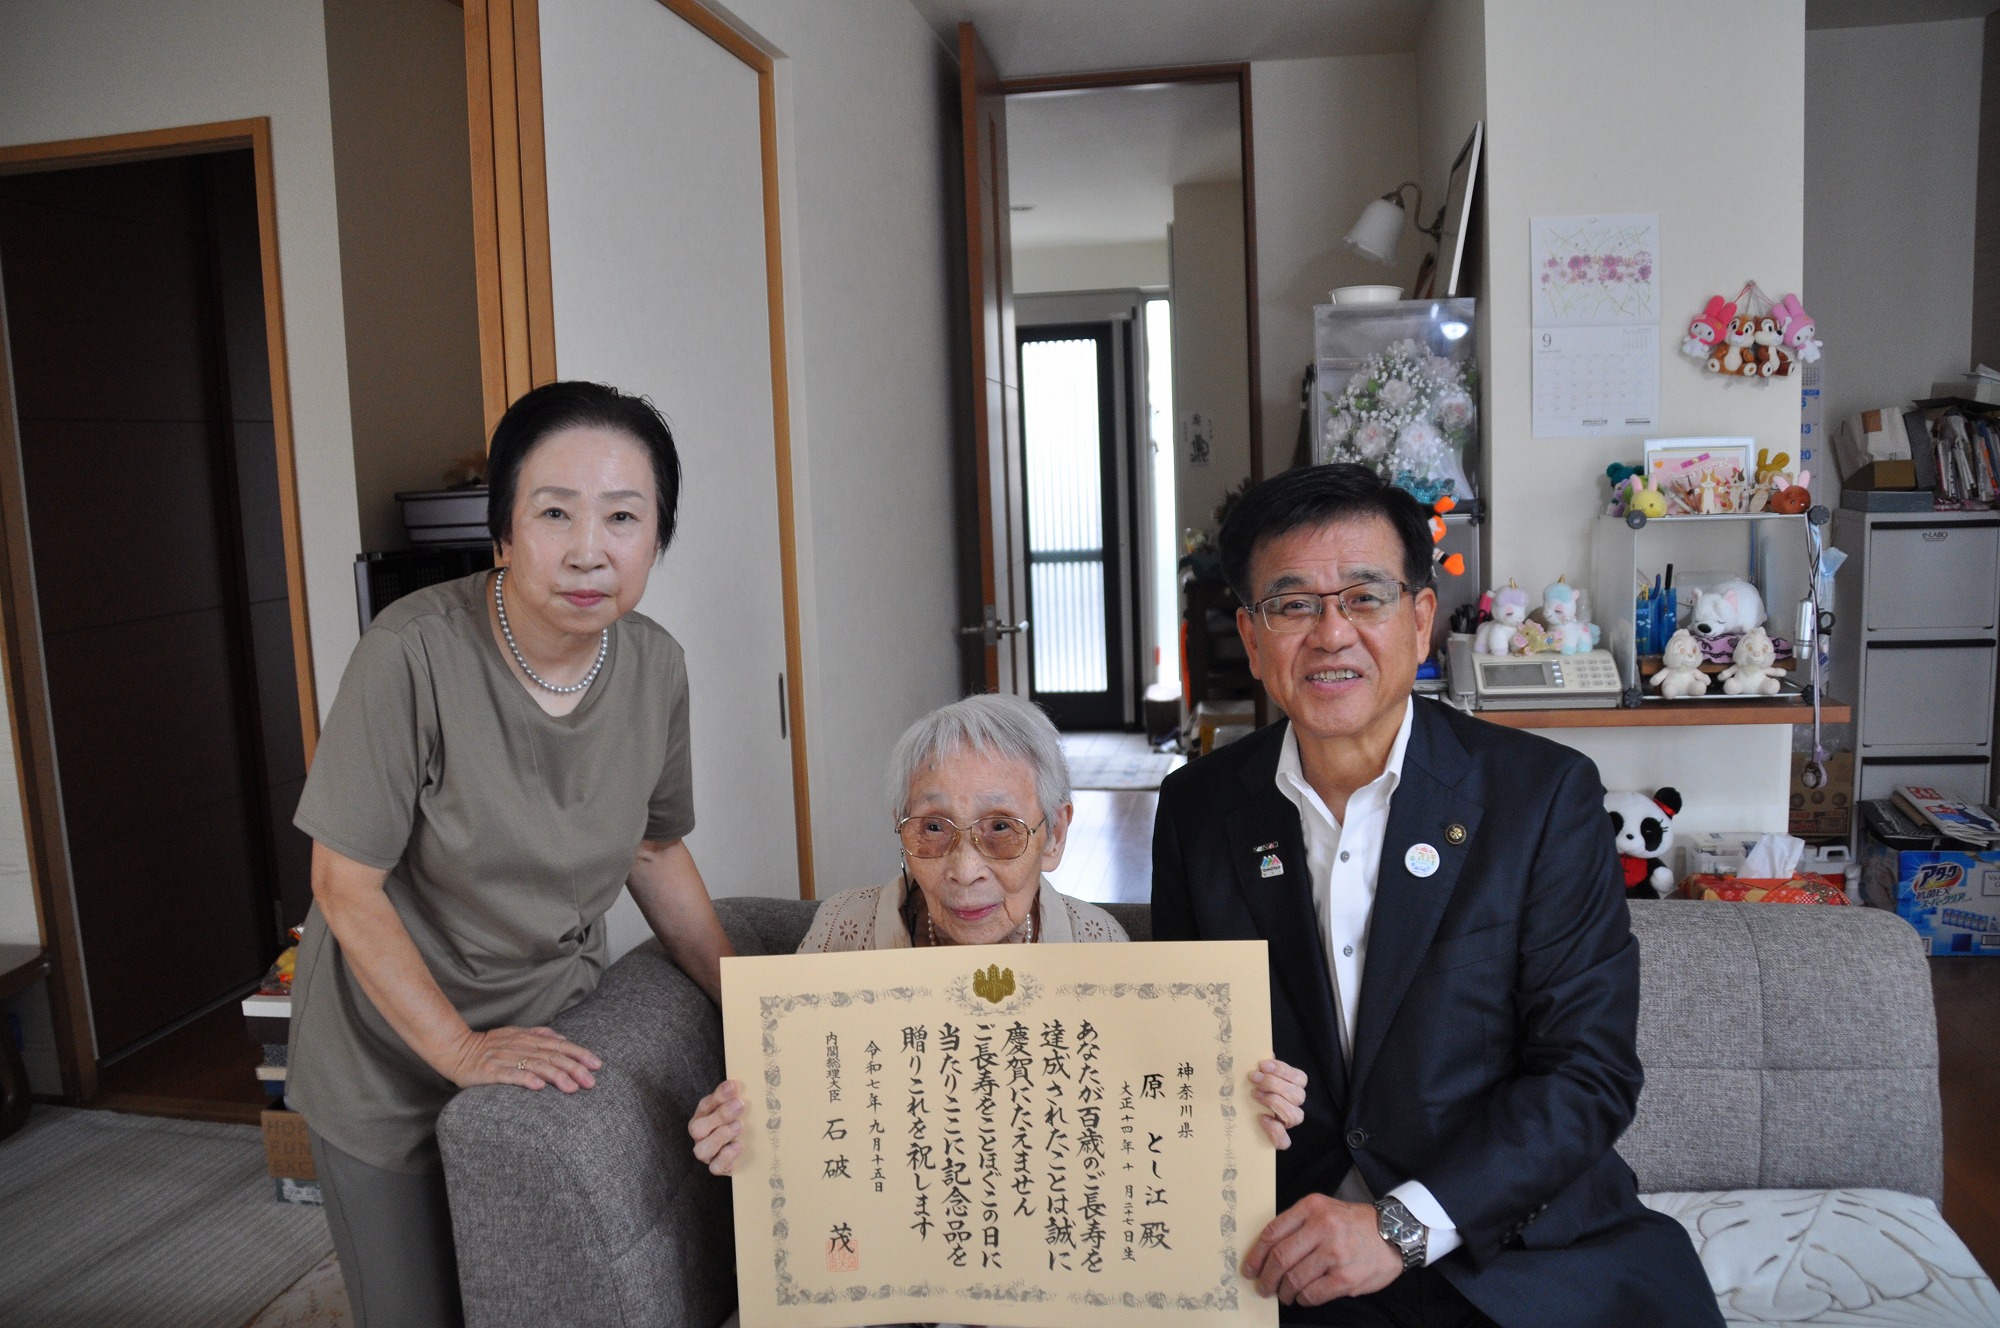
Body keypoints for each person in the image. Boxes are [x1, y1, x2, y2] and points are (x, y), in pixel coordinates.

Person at [1151, 465, 1722, 1327]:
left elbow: (1588, 1073)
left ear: (1421, 620)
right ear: (1253, 637)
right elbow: (1184, 1051)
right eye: (1293, 604)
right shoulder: (1198, 810)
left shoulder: (1542, 797)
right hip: (1289, 1251)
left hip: (1509, 1245)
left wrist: (1399, 1227)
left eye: (1365, 598)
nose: (1331, 634)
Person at [288, 381, 736, 1328]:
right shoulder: (410, 655)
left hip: (544, 1034)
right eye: (554, 513)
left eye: (623, 517)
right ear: (502, 530)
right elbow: (343, 884)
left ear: (657, 536)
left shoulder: (655, 665)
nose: (588, 550)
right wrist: (459, 1049)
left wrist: (752, 1002)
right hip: (392, 1057)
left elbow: (655, 849)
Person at [689, 693, 1310, 1177]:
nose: (964, 870)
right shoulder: (842, 935)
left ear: (1055, 835)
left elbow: (1141, 1130)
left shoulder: (1101, 950)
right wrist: (745, 1131)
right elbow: (808, 1120)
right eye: (933, 828)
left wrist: (1234, 1106)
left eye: (1001, 829)